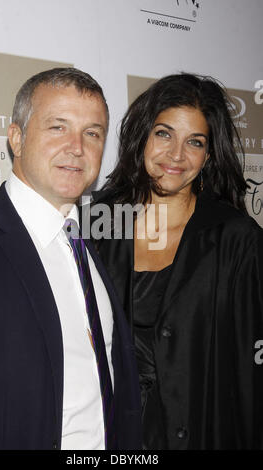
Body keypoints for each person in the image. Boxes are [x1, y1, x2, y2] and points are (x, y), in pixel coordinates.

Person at [0, 68, 142, 450]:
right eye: (57, 127)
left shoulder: (99, 243)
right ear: (17, 137)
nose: (77, 147)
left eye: (92, 133)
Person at [92, 73, 263, 449]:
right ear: (142, 136)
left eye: (195, 142)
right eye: (164, 134)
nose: (176, 156)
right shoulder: (99, 222)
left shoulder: (235, 238)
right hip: (113, 435)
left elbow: (251, 374)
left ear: (209, 155)